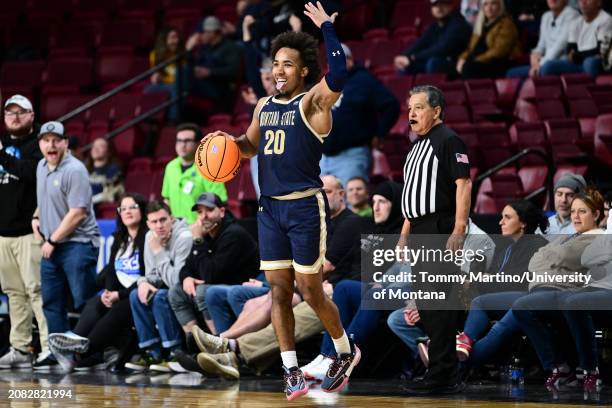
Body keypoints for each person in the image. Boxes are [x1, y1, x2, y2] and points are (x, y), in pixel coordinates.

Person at [201, 3, 357, 396]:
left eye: (287, 64)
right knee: (278, 291)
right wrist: (226, 146)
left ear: (303, 70)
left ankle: (344, 350)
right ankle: (289, 369)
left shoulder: (313, 104)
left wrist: (326, 30)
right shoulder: (264, 106)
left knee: (310, 289)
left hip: (304, 206)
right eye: (275, 64)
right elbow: (250, 146)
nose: (279, 70)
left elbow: (338, 73)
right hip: (270, 209)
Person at [189, 174, 365, 379]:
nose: (321, 198)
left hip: (332, 291)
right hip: (307, 285)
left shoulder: (350, 223)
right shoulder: (313, 221)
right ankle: (229, 353)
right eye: (318, 193)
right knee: (254, 303)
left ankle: (228, 346)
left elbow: (324, 267)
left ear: (341, 195)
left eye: (326, 192)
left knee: (281, 303)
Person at [398, 85, 471, 395]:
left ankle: (443, 376)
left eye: (418, 107)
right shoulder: (416, 146)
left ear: (436, 110)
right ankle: (438, 372)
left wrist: (458, 227)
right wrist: (404, 235)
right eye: (410, 108)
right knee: (428, 307)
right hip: (419, 230)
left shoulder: (449, 139)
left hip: (440, 229)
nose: (412, 113)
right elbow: (412, 196)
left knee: (439, 306)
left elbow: (463, 183)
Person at [301, 181, 403, 381]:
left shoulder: (404, 235)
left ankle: (343, 355)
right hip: (375, 289)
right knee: (344, 288)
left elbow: (408, 271)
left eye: (382, 202)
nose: (376, 207)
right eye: (374, 201)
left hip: (398, 291)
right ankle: (327, 355)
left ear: (396, 204)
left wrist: (383, 282)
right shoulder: (375, 232)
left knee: (364, 291)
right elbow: (352, 266)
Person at [513, 188, 604, 389]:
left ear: (596, 214)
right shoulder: (567, 237)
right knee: (520, 306)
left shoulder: (599, 237)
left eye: (582, 211)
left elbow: (566, 257)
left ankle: (576, 367)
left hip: (573, 291)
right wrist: (553, 256)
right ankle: (562, 367)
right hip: (553, 290)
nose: (575, 216)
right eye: (573, 211)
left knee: (521, 306)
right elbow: (535, 260)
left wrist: (551, 256)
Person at [47, 193, 148, 371]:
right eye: (122, 209)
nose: (127, 212)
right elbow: (111, 269)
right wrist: (109, 292)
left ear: (142, 210)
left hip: (138, 294)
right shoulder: (120, 238)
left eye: (132, 207)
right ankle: (75, 340)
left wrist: (120, 294)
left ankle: (79, 353)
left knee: (118, 308)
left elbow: (147, 275)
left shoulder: (148, 238)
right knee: (97, 302)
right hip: (119, 293)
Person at [451, 200, 549, 365]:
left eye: (507, 217)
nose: (500, 222)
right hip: (503, 299)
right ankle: (457, 346)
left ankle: (455, 358)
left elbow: (518, 282)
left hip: (527, 299)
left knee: (482, 305)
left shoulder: (537, 245)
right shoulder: (508, 248)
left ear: (523, 223)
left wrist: (484, 279)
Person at [34, 121, 100, 342]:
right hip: (52, 246)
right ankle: (59, 351)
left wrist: (51, 239)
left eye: (56, 140)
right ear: (40, 144)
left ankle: (97, 349)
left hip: (77, 244)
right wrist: (36, 216)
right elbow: (44, 199)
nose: (51, 145)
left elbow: (78, 212)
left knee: (83, 299)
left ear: (65, 143)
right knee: (52, 302)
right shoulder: (41, 166)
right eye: (46, 140)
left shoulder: (75, 169)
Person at [0, 95, 51, 370]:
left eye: (21, 112)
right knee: (13, 293)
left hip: (30, 232)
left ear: (32, 115)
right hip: (3, 234)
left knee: (37, 291)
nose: (15, 117)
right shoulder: (3, 144)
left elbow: (31, 172)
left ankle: (49, 348)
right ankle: (20, 347)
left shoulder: (39, 144)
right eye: (10, 113)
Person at [168, 192, 259, 335]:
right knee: (176, 292)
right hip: (221, 282)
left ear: (222, 212)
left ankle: (218, 344)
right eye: (200, 212)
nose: (203, 217)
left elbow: (211, 275)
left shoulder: (233, 234)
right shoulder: (208, 233)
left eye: (209, 210)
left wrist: (198, 240)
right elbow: (187, 267)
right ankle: (193, 342)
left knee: (203, 291)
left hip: (244, 285)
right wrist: (186, 278)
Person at [320, 43, 400, 187]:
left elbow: (391, 106)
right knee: (320, 205)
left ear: (349, 60)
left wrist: (379, 134)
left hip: (353, 155)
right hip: (323, 156)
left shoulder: (365, 81)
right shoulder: (327, 83)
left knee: (352, 203)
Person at [125, 201, 191, 372]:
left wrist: (159, 252)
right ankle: (153, 353)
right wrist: (143, 283)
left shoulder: (184, 237)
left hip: (183, 289)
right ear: (148, 224)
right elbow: (152, 275)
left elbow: (176, 281)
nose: (159, 226)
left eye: (163, 220)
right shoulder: (149, 237)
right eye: (154, 222)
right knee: (136, 295)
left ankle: (175, 353)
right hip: (168, 287)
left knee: (161, 296)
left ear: (172, 219)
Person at [561, 210, 612, 391]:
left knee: (573, 303)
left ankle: (590, 368)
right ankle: (568, 368)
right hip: (598, 288)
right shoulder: (606, 233)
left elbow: (602, 256)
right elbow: (588, 258)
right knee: (560, 301)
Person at [161, 123, 227, 224]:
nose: (182, 145)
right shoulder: (170, 167)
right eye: (179, 141)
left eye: (187, 141)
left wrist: (200, 225)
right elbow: (167, 199)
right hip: (177, 228)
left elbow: (219, 202)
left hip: (202, 226)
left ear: (198, 144)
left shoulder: (209, 167)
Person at [534, 0, 612, 76]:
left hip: (596, 62)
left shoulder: (606, 19)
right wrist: (577, 56)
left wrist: (576, 56)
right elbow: (570, 51)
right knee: (548, 67)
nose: (583, 2)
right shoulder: (576, 22)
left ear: (599, 2)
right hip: (578, 64)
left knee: (589, 63)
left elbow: (600, 51)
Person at [394, 0, 472, 75]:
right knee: (404, 66)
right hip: (435, 63)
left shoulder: (458, 24)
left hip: (456, 66)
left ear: (451, 5)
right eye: (435, 5)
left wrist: (412, 58)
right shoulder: (435, 25)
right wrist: (404, 56)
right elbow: (421, 43)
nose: (439, 8)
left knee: (433, 63)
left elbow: (442, 49)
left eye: (443, 3)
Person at [506, 0, 580, 78]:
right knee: (511, 73)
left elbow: (560, 47)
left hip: (563, 61)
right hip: (545, 62)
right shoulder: (546, 16)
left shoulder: (573, 15)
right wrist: (534, 55)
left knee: (547, 68)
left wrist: (539, 64)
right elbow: (541, 46)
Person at [184, 16, 242, 112]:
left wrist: (210, 72)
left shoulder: (230, 47)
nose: (200, 36)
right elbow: (194, 67)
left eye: (203, 33)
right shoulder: (205, 48)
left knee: (185, 82)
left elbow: (233, 71)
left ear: (213, 32)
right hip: (206, 84)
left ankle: (175, 118)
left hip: (221, 87)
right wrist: (189, 50)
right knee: (185, 73)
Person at [456, 0, 521, 79]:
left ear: (500, 6)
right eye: (486, 4)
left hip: (498, 63)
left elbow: (498, 52)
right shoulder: (480, 24)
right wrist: (462, 58)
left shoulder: (507, 24)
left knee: (469, 68)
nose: (489, 8)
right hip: (479, 62)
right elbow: (471, 48)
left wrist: (474, 60)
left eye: (493, 3)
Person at [145, 27, 185, 122]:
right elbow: (154, 76)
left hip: (179, 84)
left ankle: (173, 120)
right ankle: (149, 121)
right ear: (164, 40)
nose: (176, 41)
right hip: (163, 84)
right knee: (147, 89)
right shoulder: (155, 54)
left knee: (174, 88)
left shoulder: (182, 54)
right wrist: (156, 78)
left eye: (177, 38)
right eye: (172, 38)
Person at [538, 173, 586, 240]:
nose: (563, 200)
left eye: (570, 195)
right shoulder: (545, 224)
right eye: (559, 194)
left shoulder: (586, 227)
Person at [85, 138, 124, 207]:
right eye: (94, 146)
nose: (96, 149)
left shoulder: (114, 170)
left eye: (101, 146)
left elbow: (110, 194)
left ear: (109, 151)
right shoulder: (83, 169)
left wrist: (88, 201)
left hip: (99, 210)